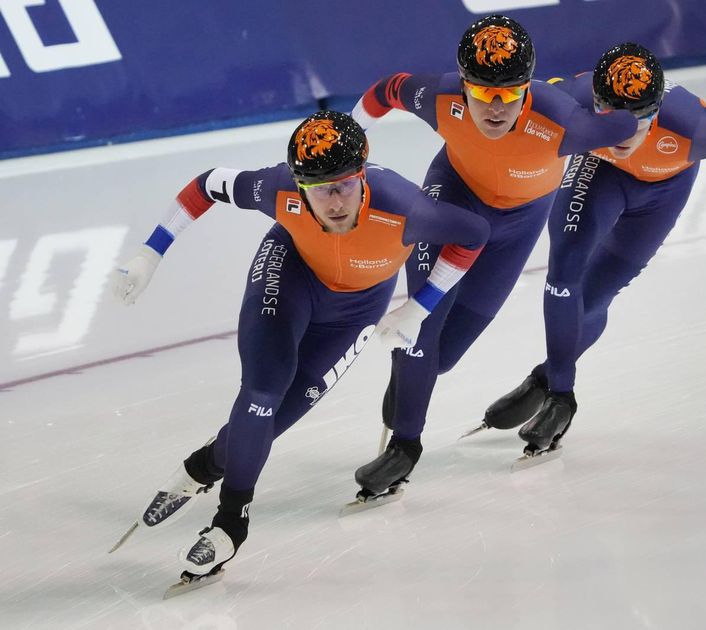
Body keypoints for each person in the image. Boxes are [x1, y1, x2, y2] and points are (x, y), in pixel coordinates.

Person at [109, 111, 489, 583]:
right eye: (318, 188)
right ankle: (231, 521)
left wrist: (420, 307)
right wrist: (151, 252)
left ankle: (204, 465)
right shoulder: (278, 189)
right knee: (262, 391)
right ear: (298, 182)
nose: (332, 201)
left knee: (273, 419)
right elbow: (207, 184)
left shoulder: (407, 208)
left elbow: (474, 235)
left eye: (345, 185)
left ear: (363, 173)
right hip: (289, 276)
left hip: (355, 311)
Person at [349, 15, 643, 497]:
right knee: (421, 324)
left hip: (517, 227)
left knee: (442, 356)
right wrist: (352, 147)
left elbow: (628, 119)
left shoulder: (564, 120)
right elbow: (387, 90)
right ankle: (404, 447)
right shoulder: (440, 98)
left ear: (528, 85)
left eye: (510, 92)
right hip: (450, 201)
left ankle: (414, 376)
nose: (496, 106)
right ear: (464, 85)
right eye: (483, 93)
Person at [478, 43, 706, 457]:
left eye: (638, 123)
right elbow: (512, 100)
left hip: (663, 192)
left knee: (593, 298)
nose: (622, 135)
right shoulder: (572, 98)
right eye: (610, 121)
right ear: (594, 105)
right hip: (600, 173)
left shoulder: (698, 130)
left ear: (656, 114)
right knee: (565, 270)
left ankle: (543, 379)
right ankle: (562, 394)